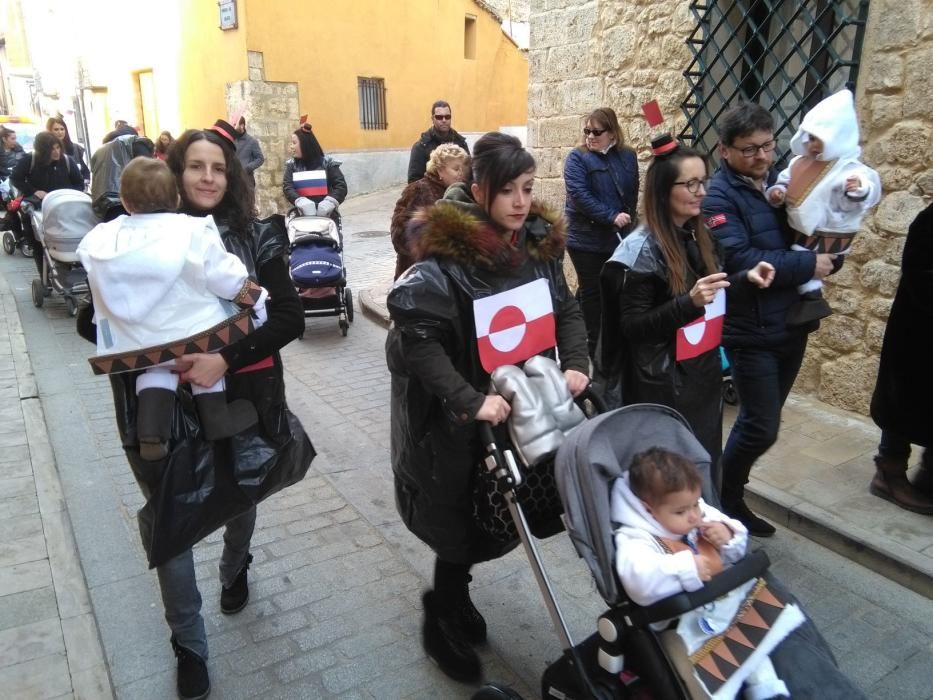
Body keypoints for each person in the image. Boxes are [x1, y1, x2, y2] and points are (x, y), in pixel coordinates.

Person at [78, 122, 304, 700]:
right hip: (154, 405)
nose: (207, 176)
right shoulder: (127, 236)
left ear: (232, 176)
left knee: (240, 492)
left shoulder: (261, 235)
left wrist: (219, 360)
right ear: (175, 174)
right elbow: (89, 318)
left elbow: (288, 319)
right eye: (195, 166)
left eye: (218, 167)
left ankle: (235, 566)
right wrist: (137, 326)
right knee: (172, 520)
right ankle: (190, 645)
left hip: (238, 391)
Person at [386, 132, 589, 683]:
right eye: (507, 192)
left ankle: (455, 598)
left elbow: (564, 309)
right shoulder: (443, 260)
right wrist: (468, 399)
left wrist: (576, 362)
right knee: (458, 520)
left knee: (499, 511)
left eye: (527, 189)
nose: (521, 203)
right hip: (461, 423)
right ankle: (442, 613)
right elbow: (414, 342)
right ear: (479, 191)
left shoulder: (539, 248)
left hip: (519, 407)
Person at [601, 135, 775, 488]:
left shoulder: (697, 233)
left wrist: (745, 278)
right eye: (690, 183)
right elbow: (632, 327)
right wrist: (688, 304)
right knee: (670, 482)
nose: (700, 191)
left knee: (700, 467)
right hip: (663, 386)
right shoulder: (640, 252)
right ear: (665, 190)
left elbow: (708, 290)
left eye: (703, 181)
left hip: (700, 376)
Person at [703, 102, 837, 537]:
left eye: (767, 146)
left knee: (761, 421)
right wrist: (809, 267)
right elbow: (739, 258)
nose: (762, 157)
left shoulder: (784, 181)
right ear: (725, 150)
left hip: (791, 324)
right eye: (749, 150)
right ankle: (726, 500)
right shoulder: (719, 196)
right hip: (750, 330)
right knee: (761, 425)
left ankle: (726, 497)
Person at [77, 157, 267, 461]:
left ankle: (152, 430)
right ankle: (216, 417)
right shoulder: (191, 230)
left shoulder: (102, 239)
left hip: (134, 345)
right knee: (202, 360)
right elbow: (225, 276)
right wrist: (255, 299)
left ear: (125, 201)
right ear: (177, 198)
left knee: (157, 368)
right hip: (198, 336)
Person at [612, 447, 792, 699]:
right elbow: (638, 580)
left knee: (753, 647)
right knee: (698, 675)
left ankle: (767, 690)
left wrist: (727, 535)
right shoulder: (636, 537)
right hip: (677, 623)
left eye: (696, 503)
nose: (694, 515)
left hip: (720, 605)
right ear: (649, 509)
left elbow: (733, 551)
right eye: (681, 512)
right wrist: (685, 568)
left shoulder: (693, 508)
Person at [766, 89, 881, 326]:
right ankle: (809, 298)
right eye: (811, 138)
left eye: (820, 139)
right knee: (801, 256)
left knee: (807, 260)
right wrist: (777, 192)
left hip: (829, 232)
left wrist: (858, 189)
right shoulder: (799, 162)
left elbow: (869, 186)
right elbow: (784, 181)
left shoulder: (849, 168)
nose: (813, 145)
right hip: (798, 230)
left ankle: (812, 298)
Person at [869, 202, 933, 514]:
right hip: (918, 335)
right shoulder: (929, 220)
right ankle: (889, 474)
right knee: (902, 403)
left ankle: (929, 477)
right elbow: (920, 275)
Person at [564, 107, 639, 359]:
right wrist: (611, 216)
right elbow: (579, 196)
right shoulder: (577, 158)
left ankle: (575, 324)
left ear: (612, 133)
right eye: (587, 131)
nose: (590, 137)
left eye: (597, 132)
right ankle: (594, 350)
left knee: (605, 289)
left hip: (617, 239)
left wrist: (628, 223)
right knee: (594, 294)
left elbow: (632, 192)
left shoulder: (627, 156)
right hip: (584, 239)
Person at [390, 143, 469, 279]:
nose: (461, 174)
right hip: (418, 278)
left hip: (450, 278)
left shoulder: (462, 193)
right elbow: (399, 233)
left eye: (463, 168)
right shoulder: (418, 190)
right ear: (439, 170)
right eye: (456, 168)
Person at [10, 131, 85, 273]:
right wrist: (33, 191)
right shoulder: (30, 160)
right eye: (52, 149)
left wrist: (68, 195)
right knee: (39, 245)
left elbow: (79, 183)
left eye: (58, 148)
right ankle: (45, 280)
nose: (56, 152)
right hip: (38, 210)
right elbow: (15, 178)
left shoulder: (67, 161)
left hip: (64, 209)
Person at [282, 121, 348, 220]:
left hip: (327, 216)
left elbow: (340, 186)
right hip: (302, 216)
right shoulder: (292, 165)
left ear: (305, 144)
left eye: (294, 143)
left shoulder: (328, 163)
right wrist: (299, 200)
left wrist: (330, 202)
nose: (291, 146)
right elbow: (288, 187)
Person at [407, 100, 471, 184]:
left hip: (457, 193)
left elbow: (469, 172)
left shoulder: (460, 143)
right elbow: (414, 181)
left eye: (447, 116)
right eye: (439, 117)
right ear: (433, 119)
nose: (444, 120)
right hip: (432, 195)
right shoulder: (421, 146)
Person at [46, 116, 90, 183]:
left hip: (75, 190)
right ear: (49, 131)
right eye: (56, 129)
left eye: (62, 129)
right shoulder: (44, 150)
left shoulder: (75, 148)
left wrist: (85, 181)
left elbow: (84, 170)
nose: (60, 132)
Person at [234, 116, 264, 188]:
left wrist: (247, 168)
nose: (233, 126)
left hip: (247, 181)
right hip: (233, 181)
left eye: (235, 124)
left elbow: (260, 159)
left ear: (242, 126)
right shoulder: (231, 140)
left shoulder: (252, 141)